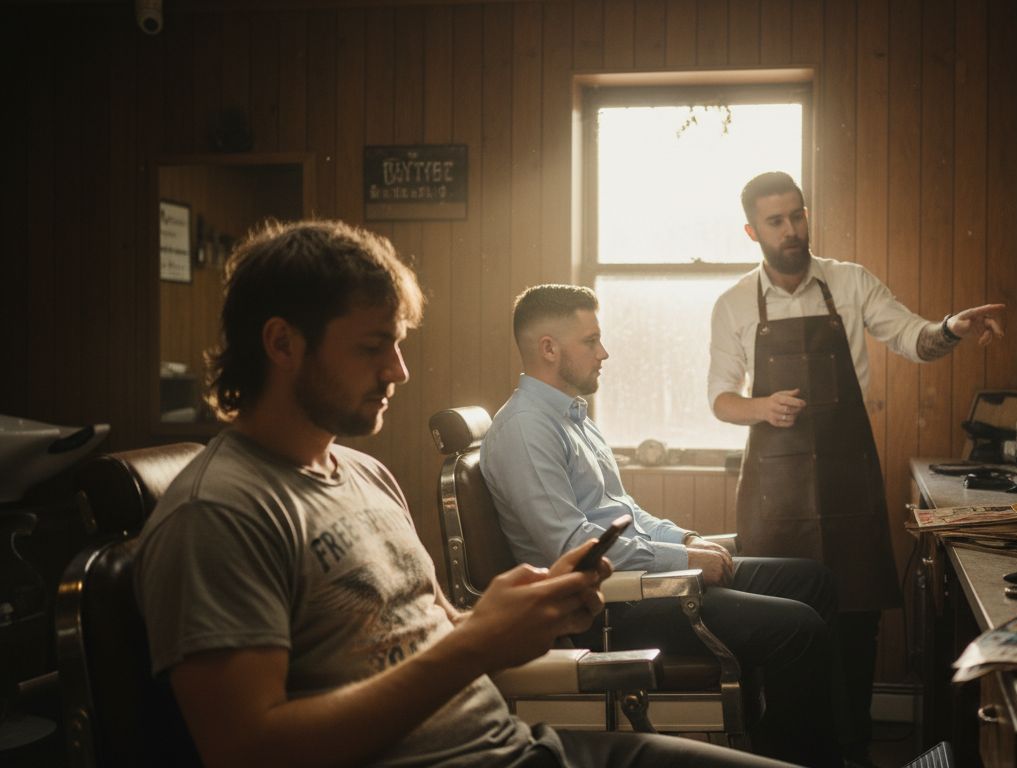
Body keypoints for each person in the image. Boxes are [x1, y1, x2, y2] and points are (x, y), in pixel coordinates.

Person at [134, 220, 793, 768]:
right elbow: (247, 751)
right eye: (373, 347)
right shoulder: (219, 515)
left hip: (517, 747)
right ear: (282, 343)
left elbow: (429, 639)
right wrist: (476, 643)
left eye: (397, 344)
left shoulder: (364, 476)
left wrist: (512, 618)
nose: (399, 370)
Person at [708, 171, 1006, 765]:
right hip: (775, 494)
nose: (791, 230)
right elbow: (720, 399)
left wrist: (950, 329)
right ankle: (785, 755)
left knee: (853, 624)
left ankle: (854, 751)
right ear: (751, 231)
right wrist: (762, 407)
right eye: (775, 221)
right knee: (781, 631)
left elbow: (913, 338)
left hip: (850, 484)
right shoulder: (735, 303)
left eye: (797, 215)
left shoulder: (848, 281)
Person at [481, 284, 843, 768]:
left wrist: (685, 540)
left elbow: (622, 510)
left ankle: (789, 746)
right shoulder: (526, 429)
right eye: (590, 341)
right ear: (548, 348)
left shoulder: (570, 416)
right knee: (799, 628)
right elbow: (575, 549)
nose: (603, 352)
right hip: (609, 609)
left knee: (812, 580)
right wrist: (683, 562)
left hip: (643, 580)